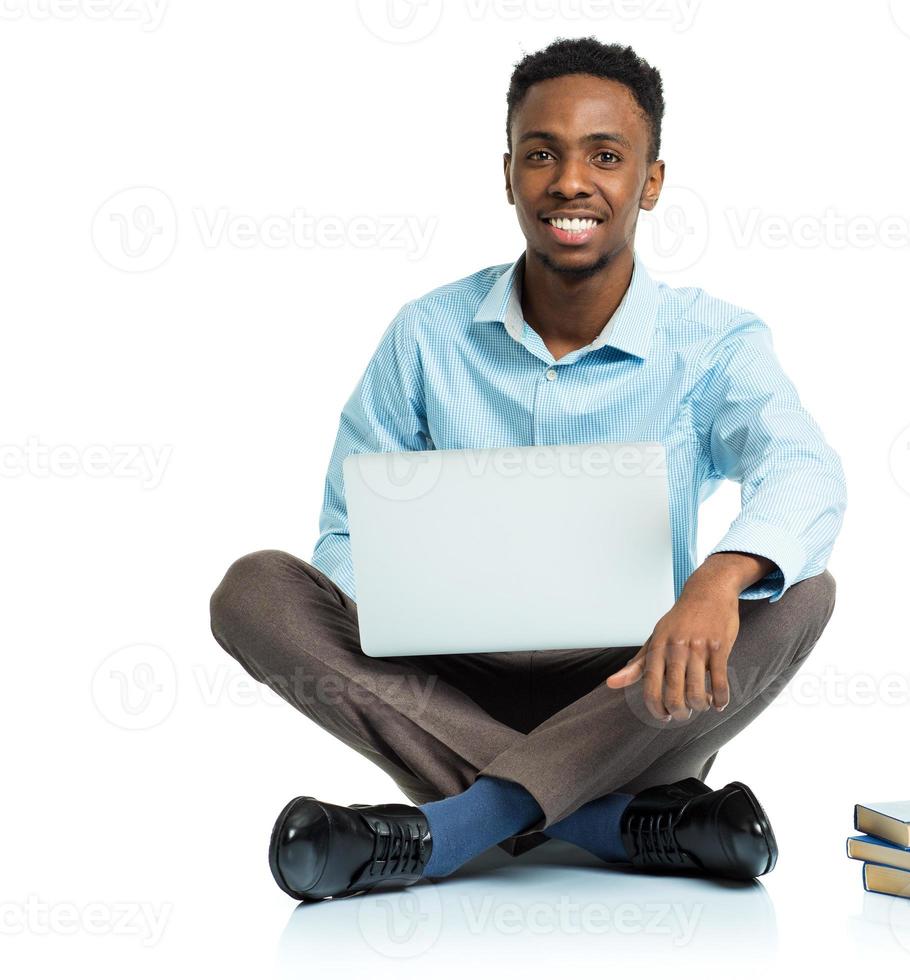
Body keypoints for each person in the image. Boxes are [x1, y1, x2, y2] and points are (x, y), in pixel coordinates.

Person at [209, 35, 847, 902]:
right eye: (541, 154)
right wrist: (400, 617)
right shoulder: (426, 335)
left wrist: (719, 578)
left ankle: (448, 831)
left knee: (800, 589)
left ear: (651, 182)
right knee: (254, 591)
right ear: (508, 173)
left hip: (634, 693)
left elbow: (804, 467)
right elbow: (346, 533)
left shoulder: (714, 341)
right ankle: (617, 821)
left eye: (606, 156)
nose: (570, 181)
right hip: (445, 688)